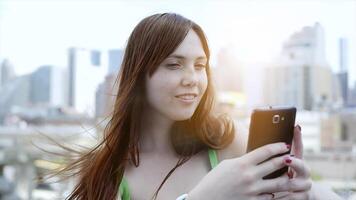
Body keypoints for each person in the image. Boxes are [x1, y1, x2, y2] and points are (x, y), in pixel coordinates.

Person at [63, 13, 341, 200]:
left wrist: (305, 191)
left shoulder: (227, 143)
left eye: (200, 66)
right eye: (174, 65)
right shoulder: (105, 170)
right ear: (138, 75)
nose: (192, 80)